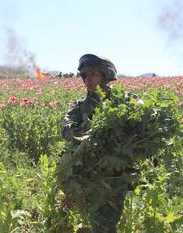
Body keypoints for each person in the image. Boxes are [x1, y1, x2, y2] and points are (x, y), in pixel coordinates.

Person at [61, 54, 126, 233]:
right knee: (92, 214)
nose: (88, 79)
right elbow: (66, 126)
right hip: (87, 171)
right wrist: (76, 133)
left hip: (114, 174)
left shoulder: (122, 101)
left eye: (93, 74)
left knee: (106, 220)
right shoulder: (80, 106)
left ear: (105, 76)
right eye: (85, 76)